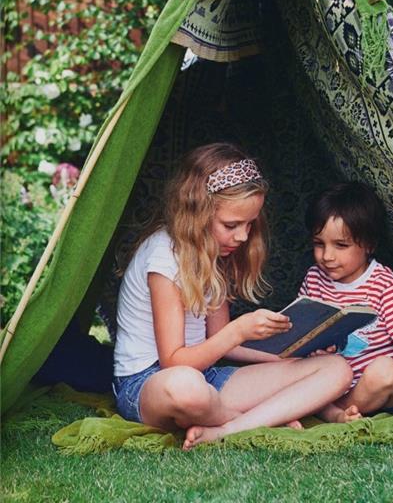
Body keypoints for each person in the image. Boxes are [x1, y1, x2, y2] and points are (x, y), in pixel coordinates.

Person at [113, 143, 352, 449]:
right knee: (185, 388)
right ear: (197, 213)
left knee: (336, 368)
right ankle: (249, 419)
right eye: (231, 225)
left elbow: (221, 342)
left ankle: (225, 429)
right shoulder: (164, 256)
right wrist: (239, 330)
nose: (242, 236)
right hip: (149, 383)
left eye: (249, 224)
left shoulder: (214, 253)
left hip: (206, 376)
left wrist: (289, 352)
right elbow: (174, 362)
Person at [300, 182, 393, 423]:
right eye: (319, 244)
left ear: (368, 245)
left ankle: (329, 412)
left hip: (382, 387)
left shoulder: (385, 285)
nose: (327, 256)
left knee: (385, 372)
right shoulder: (314, 278)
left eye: (341, 245)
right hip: (331, 382)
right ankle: (332, 411)